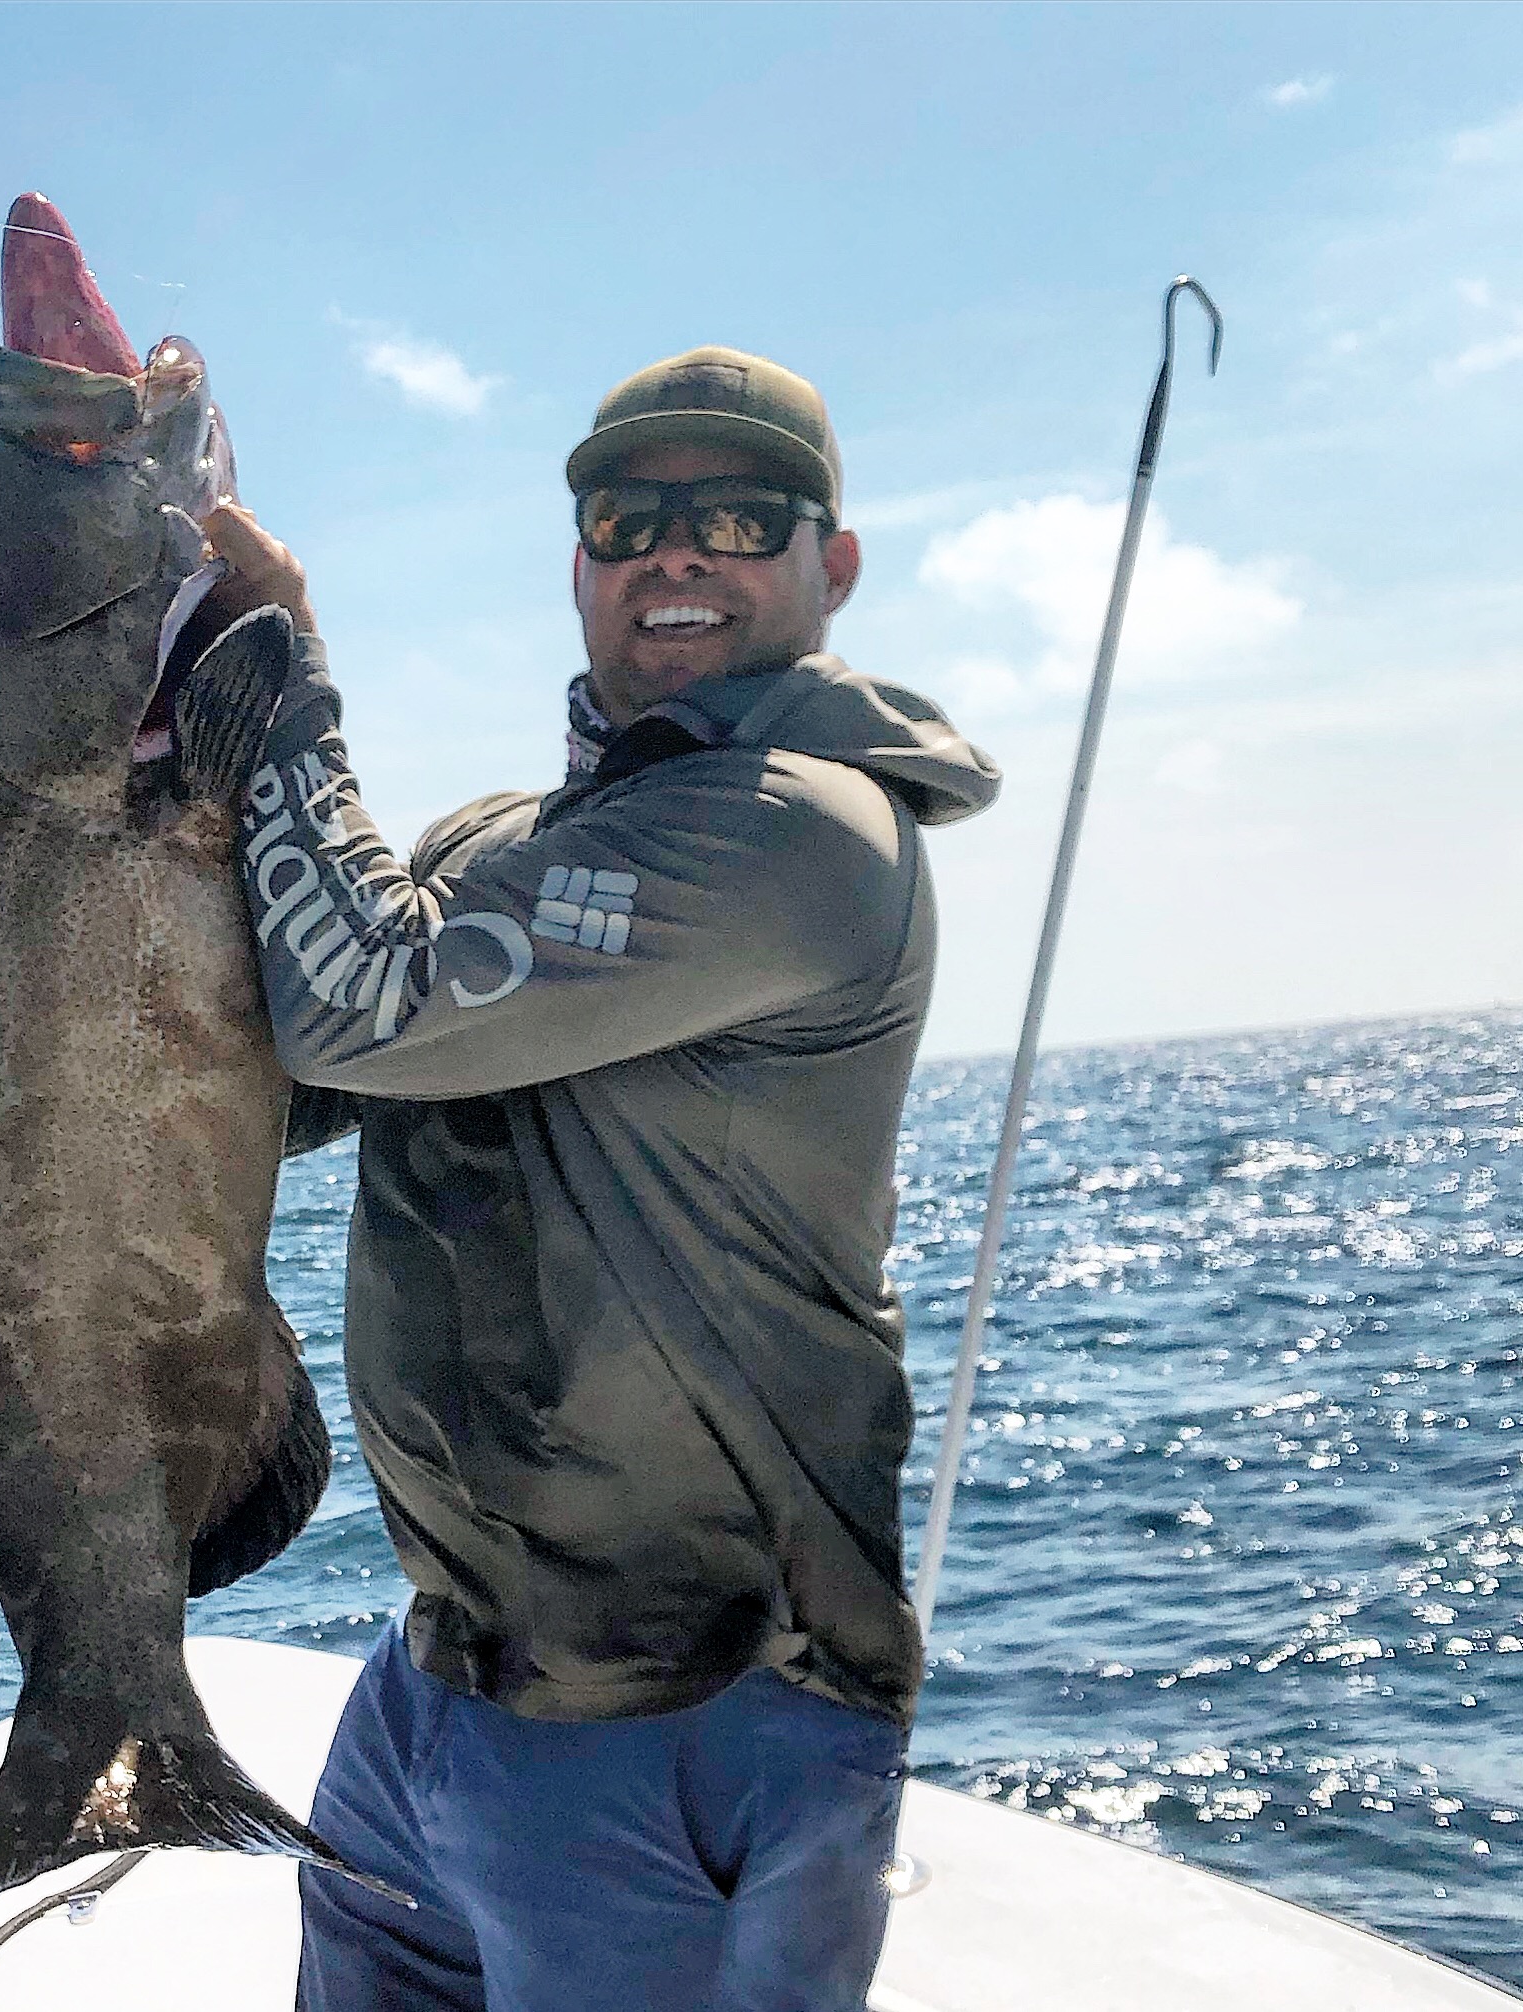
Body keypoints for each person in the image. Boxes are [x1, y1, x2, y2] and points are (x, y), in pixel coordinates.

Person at [176, 345, 1001, 2012]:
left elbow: (364, 998)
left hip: (701, 1716)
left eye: (740, 516)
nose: (676, 551)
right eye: (631, 517)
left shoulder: (803, 835)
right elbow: (292, 1077)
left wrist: (267, 663)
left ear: (831, 566)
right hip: (442, 1685)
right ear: (580, 568)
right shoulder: (506, 845)